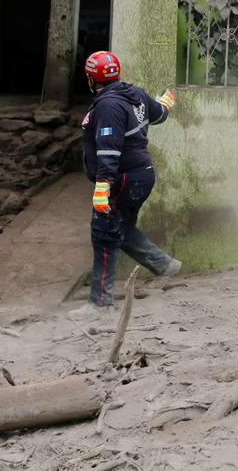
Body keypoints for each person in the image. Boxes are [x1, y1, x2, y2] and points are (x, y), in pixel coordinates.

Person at [78, 51, 181, 313]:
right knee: (119, 227)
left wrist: (102, 188)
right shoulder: (135, 95)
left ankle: (100, 303)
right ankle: (165, 265)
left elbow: (109, 149)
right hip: (140, 176)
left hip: (123, 178)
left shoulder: (108, 105)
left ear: (91, 79)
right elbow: (158, 113)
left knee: (104, 232)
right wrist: (167, 102)